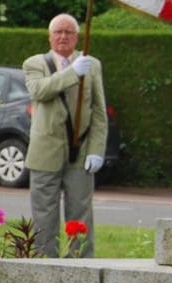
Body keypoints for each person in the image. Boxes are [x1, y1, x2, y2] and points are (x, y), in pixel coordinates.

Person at [23, 14, 108, 258]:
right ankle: (45, 266)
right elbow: (40, 91)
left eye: (69, 32)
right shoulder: (35, 63)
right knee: (44, 218)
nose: (63, 36)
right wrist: (72, 73)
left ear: (77, 37)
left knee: (81, 215)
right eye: (58, 32)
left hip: (79, 151)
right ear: (49, 36)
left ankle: (81, 265)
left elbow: (99, 112)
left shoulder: (92, 64)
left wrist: (96, 149)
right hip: (44, 152)